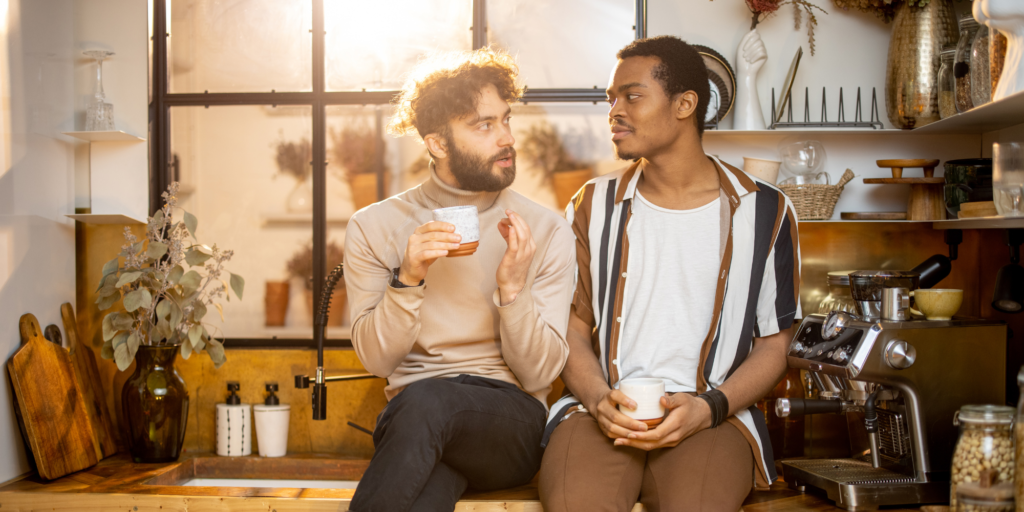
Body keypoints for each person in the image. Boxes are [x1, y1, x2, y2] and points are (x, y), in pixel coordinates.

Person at [538, 36, 802, 512]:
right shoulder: (591, 204)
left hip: (712, 417)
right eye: (611, 99)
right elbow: (570, 332)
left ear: (685, 104)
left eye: (632, 96)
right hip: (599, 412)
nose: (615, 110)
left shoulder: (765, 210)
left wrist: (710, 408)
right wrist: (599, 400)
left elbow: (775, 345)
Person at [343, 47, 576, 512]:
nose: (506, 137)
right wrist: (407, 280)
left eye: (505, 120)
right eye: (484, 125)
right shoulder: (374, 226)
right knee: (427, 489)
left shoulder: (543, 229)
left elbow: (540, 373)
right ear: (438, 143)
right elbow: (376, 358)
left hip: (510, 425)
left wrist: (512, 291)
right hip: (417, 426)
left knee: (427, 402)